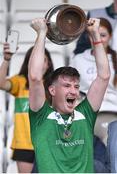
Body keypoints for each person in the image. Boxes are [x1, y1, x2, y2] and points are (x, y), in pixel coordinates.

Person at [28, 17, 110, 173]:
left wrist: (95, 35)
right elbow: (35, 77)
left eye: (76, 86)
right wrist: (41, 34)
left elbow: (104, 77)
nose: (73, 91)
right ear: (52, 90)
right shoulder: (41, 116)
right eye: (66, 86)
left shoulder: (85, 114)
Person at [70, 17, 117, 172]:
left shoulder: (115, 58)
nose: (99, 39)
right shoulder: (78, 59)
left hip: (112, 115)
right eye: (95, 35)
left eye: (103, 35)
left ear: (110, 37)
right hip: (85, 115)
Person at [0, 43, 54, 173]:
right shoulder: (20, 82)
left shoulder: (55, 85)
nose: (39, 64)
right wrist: (6, 59)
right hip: (23, 144)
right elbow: (1, 84)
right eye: (35, 60)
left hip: (49, 144)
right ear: (29, 63)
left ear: (49, 64)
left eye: (43, 60)